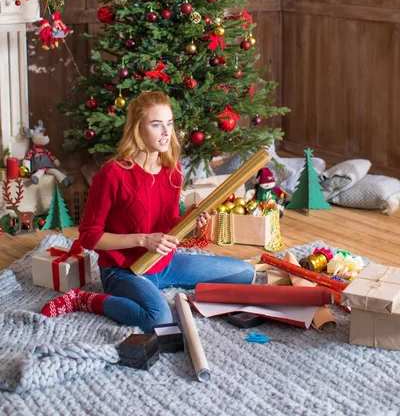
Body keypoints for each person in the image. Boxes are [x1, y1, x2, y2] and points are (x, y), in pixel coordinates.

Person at [41, 91, 254, 332]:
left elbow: (168, 224)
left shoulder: (172, 172)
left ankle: (162, 287)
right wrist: (143, 240)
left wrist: (191, 219)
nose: (166, 132)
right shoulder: (113, 174)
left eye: (169, 124)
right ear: (137, 128)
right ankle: (85, 299)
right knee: (159, 318)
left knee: (244, 273)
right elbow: (89, 236)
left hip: (165, 263)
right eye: (156, 124)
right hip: (123, 271)